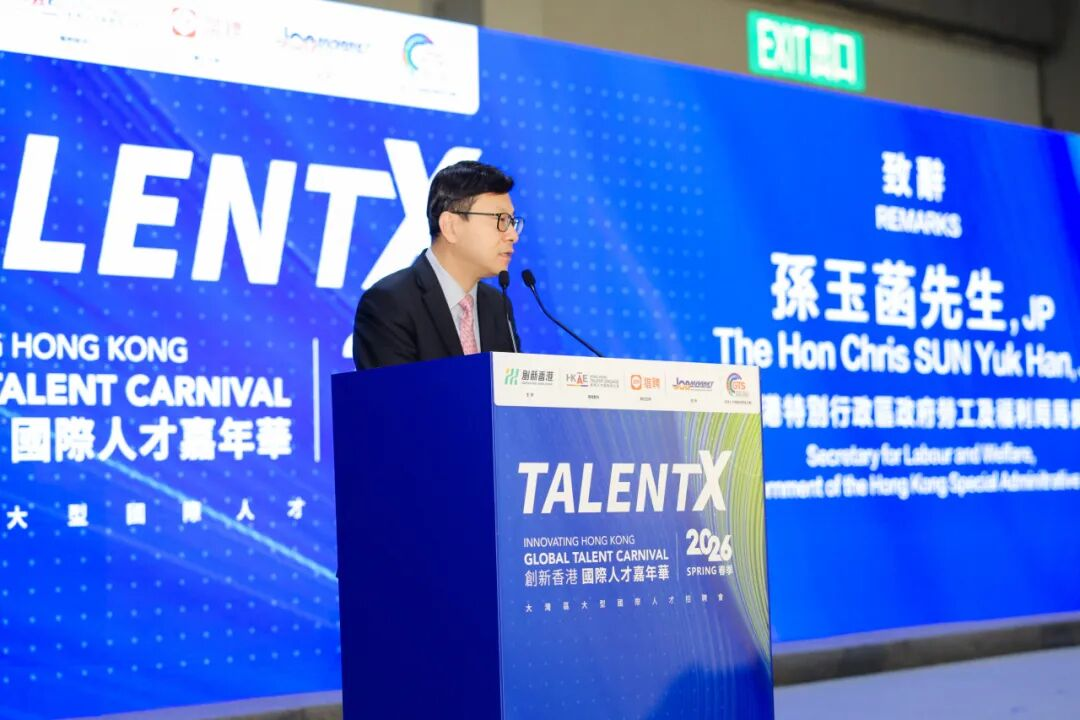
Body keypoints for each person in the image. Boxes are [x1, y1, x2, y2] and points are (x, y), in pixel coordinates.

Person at [352, 160, 523, 370]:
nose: (513, 235)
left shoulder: (498, 305)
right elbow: (393, 391)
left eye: (512, 221)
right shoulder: (389, 303)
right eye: (501, 220)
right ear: (450, 226)